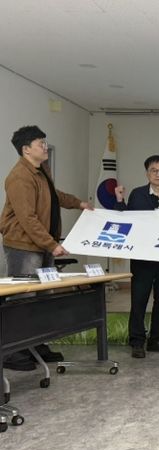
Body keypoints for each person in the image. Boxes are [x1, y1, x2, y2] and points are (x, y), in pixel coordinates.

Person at [0, 125, 92, 371]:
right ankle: (12, 351)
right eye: (40, 143)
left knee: (42, 298)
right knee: (24, 297)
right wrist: (52, 245)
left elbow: (53, 195)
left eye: (44, 142)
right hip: (24, 246)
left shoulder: (41, 171)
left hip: (42, 244)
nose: (44, 146)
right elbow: (27, 218)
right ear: (26, 149)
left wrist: (79, 203)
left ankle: (36, 345)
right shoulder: (19, 177)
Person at [114, 155, 159, 358]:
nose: (158, 174)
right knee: (139, 299)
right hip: (142, 257)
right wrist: (120, 201)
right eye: (153, 170)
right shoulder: (138, 194)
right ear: (147, 174)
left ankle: (156, 339)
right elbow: (125, 220)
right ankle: (137, 341)